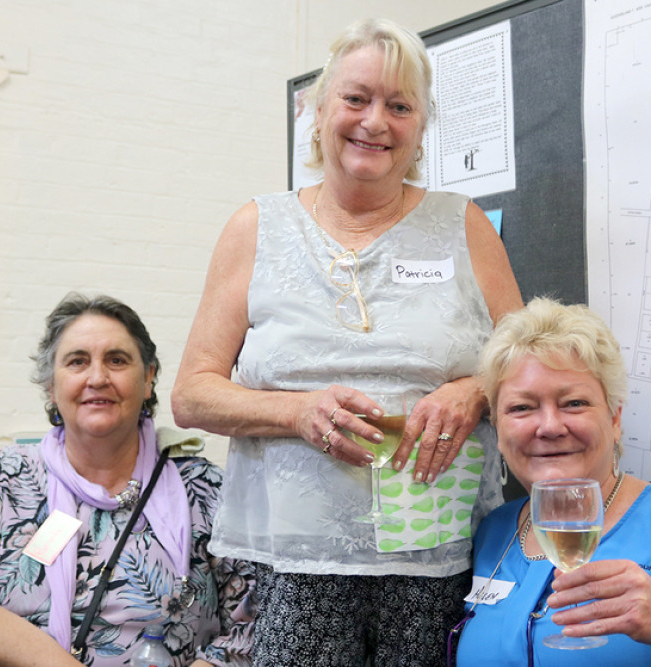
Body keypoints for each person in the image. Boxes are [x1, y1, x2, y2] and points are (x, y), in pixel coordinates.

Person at [171, 17, 522, 666]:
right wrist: (295, 410)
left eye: (399, 105)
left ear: (420, 127)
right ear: (317, 110)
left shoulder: (464, 225)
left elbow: (532, 369)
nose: (375, 121)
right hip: (296, 560)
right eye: (356, 98)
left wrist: (473, 389)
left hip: (436, 553)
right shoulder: (256, 228)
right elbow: (192, 395)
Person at [0, 293, 255, 667]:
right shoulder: (3, 480)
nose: (97, 377)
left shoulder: (205, 491)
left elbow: (249, 630)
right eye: (77, 362)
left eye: (117, 360)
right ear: (50, 387)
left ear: (148, 379)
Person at [452, 296, 651, 665]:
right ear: (499, 428)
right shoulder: (495, 531)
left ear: (615, 420)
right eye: (521, 408)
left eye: (573, 403)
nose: (550, 426)